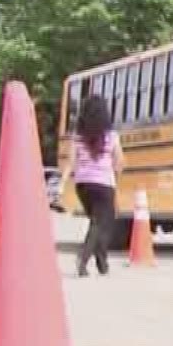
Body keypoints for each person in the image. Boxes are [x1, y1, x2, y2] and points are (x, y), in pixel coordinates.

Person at [64, 93, 123, 277]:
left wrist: (62, 183)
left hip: (83, 185)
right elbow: (119, 162)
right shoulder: (111, 136)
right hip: (104, 184)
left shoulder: (78, 138)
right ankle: (84, 257)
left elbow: (71, 163)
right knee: (102, 223)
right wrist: (116, 179)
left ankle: (102, 262)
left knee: (97, 223)